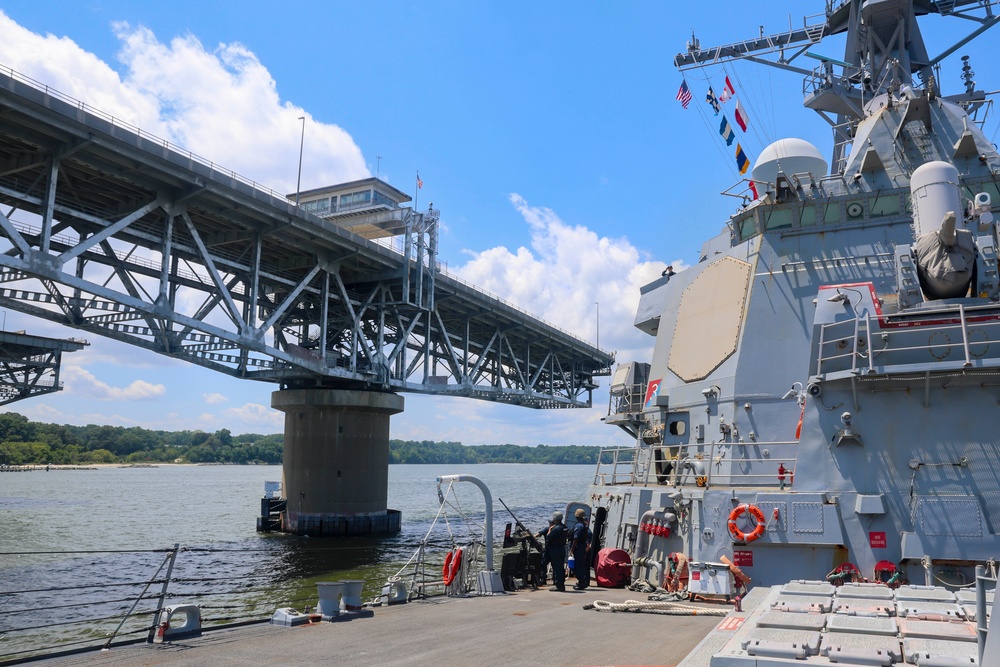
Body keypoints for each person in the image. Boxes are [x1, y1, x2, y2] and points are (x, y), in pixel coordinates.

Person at [543, 511, 568, 591]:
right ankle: (561, 584)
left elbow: (548, 537)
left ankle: (559, 586)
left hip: (555, 549)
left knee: (557, 568)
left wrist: (550, 529)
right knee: (560, 567)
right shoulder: (564, 527)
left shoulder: (556, 528)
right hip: (562, 548)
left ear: (555, 518)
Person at [569, 508, 591, 590]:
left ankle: (582, 582)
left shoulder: (578, 526)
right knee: (580, 565)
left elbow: (576, 538)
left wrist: (572, 549)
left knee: (576, 566)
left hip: (578, 549)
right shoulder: (584, 525)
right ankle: (582, 581)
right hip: (581, 548)